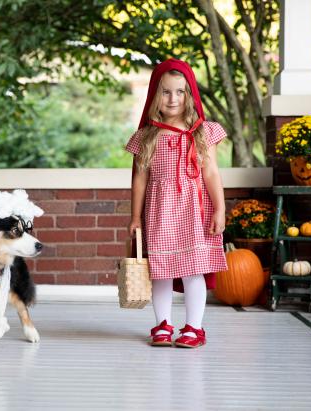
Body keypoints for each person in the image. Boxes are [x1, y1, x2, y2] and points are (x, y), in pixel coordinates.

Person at [126, 58, 228, 348]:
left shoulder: (202, 131)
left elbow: (211, 172)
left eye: (180, 92)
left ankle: (194, 327)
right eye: (166, 92)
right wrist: (136, 217)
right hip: (159, 210)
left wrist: (220, 209)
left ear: (190, 94)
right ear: (155, 96)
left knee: (193, 268)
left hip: (194, 210)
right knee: (160, 270)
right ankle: (162, 324)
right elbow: (140, 180)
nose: (173, 99)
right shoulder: (147, 136)